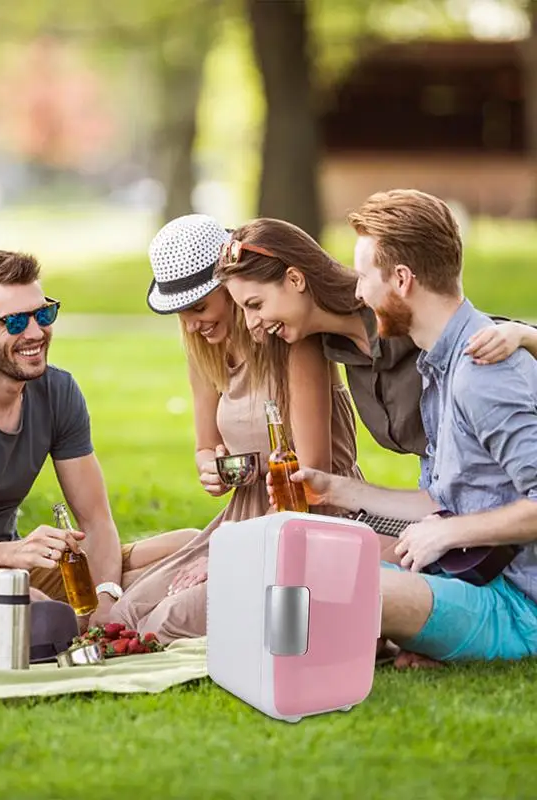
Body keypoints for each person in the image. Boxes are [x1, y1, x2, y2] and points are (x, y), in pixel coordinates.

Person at [268, 189, 537, 664]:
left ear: (402, 279)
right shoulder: (439, 367)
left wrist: (447, 534)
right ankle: (362, 647)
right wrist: (334, 489)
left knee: (333, 586)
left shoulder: (483, 374)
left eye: (364, 276)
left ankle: (304, 667)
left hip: (519, 604)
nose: (356, 292)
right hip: (467, 579)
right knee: (305, 566)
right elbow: (444, 500)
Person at [0, 249, 190, 626]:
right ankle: (62, 620)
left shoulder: (58, 390)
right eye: (15, 322)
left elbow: (96, 522)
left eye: (43, 314)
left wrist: (105, 594)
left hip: (19, 564)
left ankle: (77, 618)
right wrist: (0, 552)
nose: (35, 333)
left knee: (188, 547)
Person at [104, 214, 363, 643]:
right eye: (181, 313)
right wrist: (213, 467)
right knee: (123, 613)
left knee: (164, 622)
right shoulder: (204, 350)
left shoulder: (295, 343)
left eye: (198, 308)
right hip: (239, 518)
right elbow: (206, 446)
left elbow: (314, 474)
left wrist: (230, 556)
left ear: (230, 288)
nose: (191, 324)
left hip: (302, 520)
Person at [219, 219, 537, 488]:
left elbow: (463, 330)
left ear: (295, 279)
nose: (249, 324)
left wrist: (523, 333)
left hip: (507, 493)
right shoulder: (327, 344)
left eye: (255, 305)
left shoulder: (392, 310)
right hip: (439, 494)